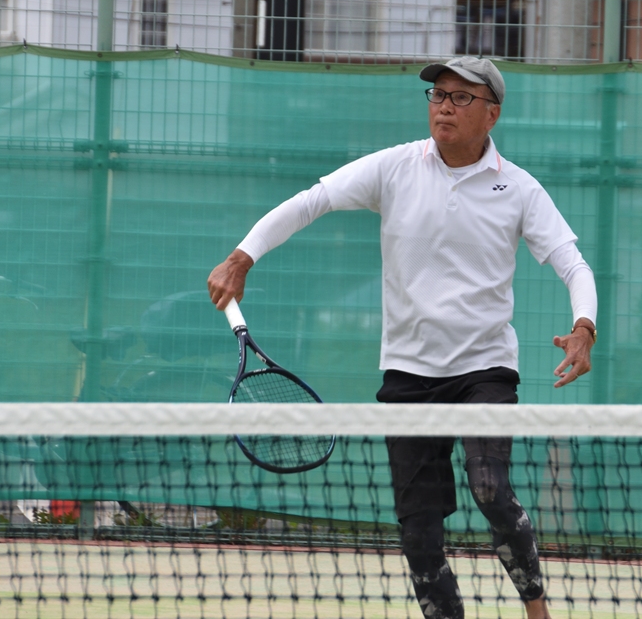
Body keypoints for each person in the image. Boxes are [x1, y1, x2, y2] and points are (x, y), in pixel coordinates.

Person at [207, 56, 597, 619]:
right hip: (409, 376)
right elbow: (314, 199)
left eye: (461, 97)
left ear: (491, 114)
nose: (444, 106)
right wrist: (242, 256)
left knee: (489, 488)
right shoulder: (395, 167)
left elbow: (572, 263)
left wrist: (584, 326)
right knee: (419, 535)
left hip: (485, 370)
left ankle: (535, 606)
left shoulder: (519, 188)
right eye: (438, 95)